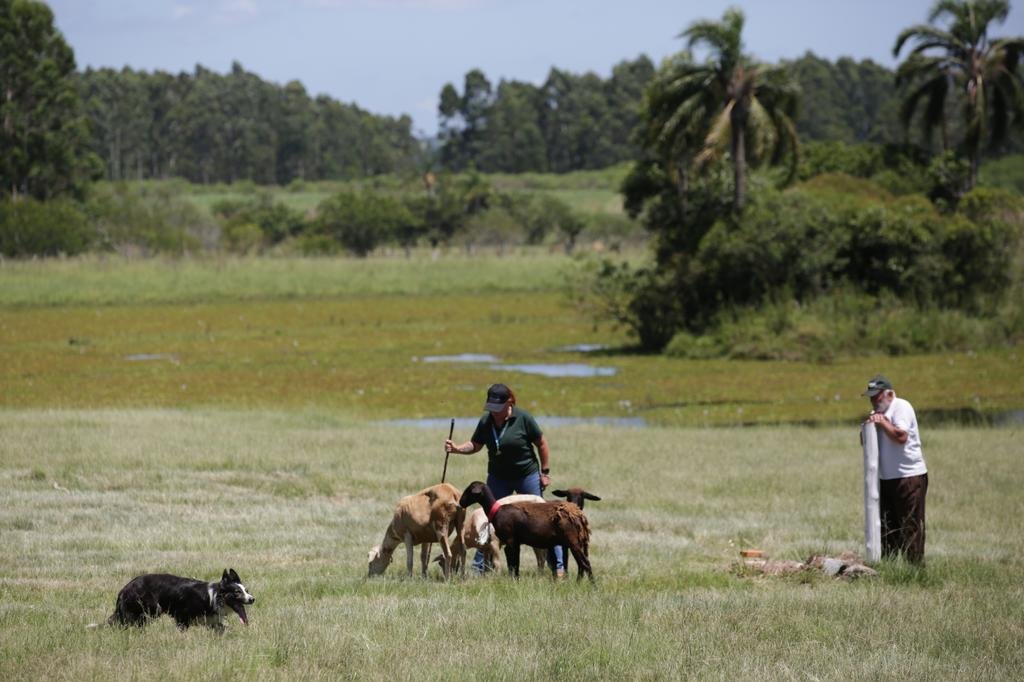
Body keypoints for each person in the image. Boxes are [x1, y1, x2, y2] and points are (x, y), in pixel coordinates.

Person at [445, 383, 565, 576]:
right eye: (490, 408)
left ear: (509, 402)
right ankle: (481, 568)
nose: (493, 413)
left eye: (497, 409)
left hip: (527, 475)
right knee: (487, 520)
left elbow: (541, 443)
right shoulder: (486, 421)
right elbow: (475, 445)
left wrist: (545, 472)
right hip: (498, 478)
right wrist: (458, 448)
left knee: (544, 522)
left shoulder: (523, 418)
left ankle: (558, 568)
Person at [862, 375, 928, 563]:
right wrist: (869, 428)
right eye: (871, 397)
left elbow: (901, 437)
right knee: (887, 526)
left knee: (910, 525)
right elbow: (864, 443)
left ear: (889, 394)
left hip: (909, 477)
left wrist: (882, 422)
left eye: (877, 397)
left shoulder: (901, 407)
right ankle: (888, 567)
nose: (873, 401)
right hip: (885, 479)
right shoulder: (877, 414)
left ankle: (914, 569)